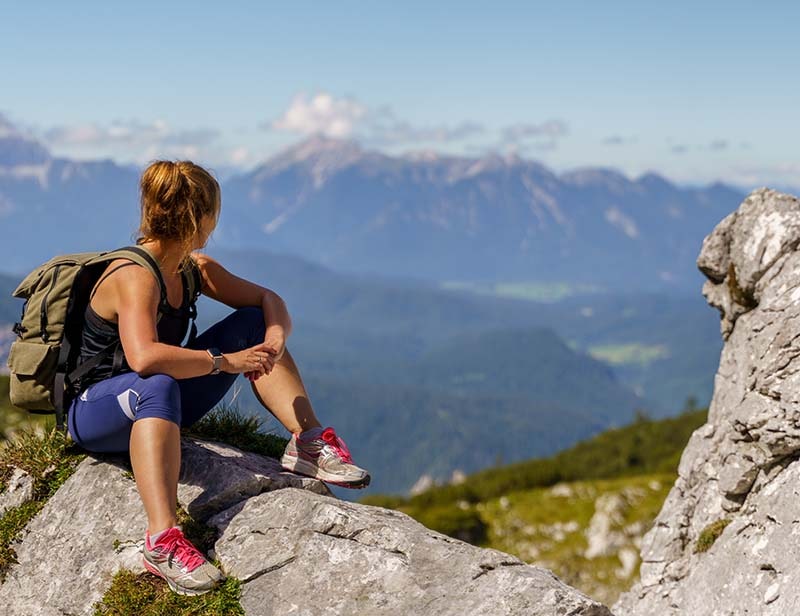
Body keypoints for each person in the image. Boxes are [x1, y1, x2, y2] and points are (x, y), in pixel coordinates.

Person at [66, 160, 370, 596]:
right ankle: (162, 540)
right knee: (157, 383)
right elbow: (145, 358)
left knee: (250, 320)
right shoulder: (134, 277)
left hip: (161, 404)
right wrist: (225, 361)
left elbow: (268, 299)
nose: (215, 223)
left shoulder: (194, 269)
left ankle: (307, 441)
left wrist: (274, 338)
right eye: (213, 213)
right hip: (97, 412)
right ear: (198, 218)